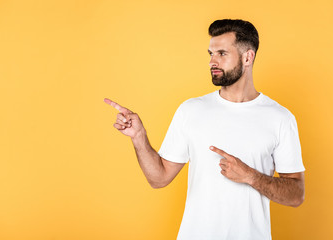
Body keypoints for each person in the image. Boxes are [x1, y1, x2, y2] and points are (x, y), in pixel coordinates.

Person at [105, 19, 305, 240]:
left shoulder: (280, 118)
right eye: (210, 53)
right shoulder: (191, 110)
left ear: (248, 57)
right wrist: (139, 138)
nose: (212, 61)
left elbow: (296, 195)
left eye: (221, 53)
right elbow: (159, 178)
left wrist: (251, 176)